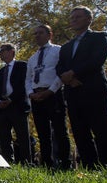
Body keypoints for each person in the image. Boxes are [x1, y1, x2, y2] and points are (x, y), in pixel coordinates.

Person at [57, 6, 107, 168]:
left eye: (78, 17)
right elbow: (59, 67)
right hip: (73, 92)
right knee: (80, 132)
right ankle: (90, 166)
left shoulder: (99, 37)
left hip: (93, 90)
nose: (74, 20)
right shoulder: (66, 47)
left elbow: (97, 60)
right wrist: (69, 79)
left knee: (102, 131)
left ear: (88, 19)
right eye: (72, 18)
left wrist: (74, 73)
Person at [25, 25, 73, 170]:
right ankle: (47, 163)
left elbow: (61, 72)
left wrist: (51, 90)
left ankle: (65, 163)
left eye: (40, 33)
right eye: (35, 33)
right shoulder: (32, 58)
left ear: (49, 34)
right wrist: (30, 93)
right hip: (36, 97)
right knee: (43, 133)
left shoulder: (58, 50)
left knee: (60, 131)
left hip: (53, 94)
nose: (37, 36)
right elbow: (28, 79)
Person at [0, 43, 32, 165]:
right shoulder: (0, 72)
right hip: (3, 109)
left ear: (12, 52)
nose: (0, 53)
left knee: (22, 136)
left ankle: (26, 163)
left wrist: (11, 99)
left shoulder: (22, 66)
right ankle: (8, 162)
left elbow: (23, 85)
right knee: (4, 138)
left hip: (18, 105)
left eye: (2, 50)